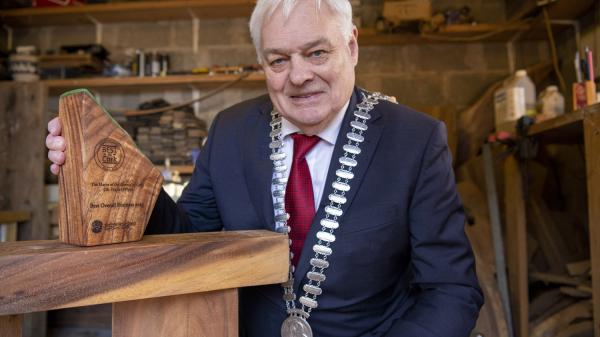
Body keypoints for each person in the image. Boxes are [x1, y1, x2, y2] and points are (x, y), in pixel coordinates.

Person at [47, 0, 483, 336]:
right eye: (279, 60)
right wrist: (121, 177)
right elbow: (189, 233)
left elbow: (452, 289)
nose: (298, 76)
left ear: (351, 47)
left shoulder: (415, 140)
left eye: (316, 53)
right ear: (263, 64)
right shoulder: (231, 130)